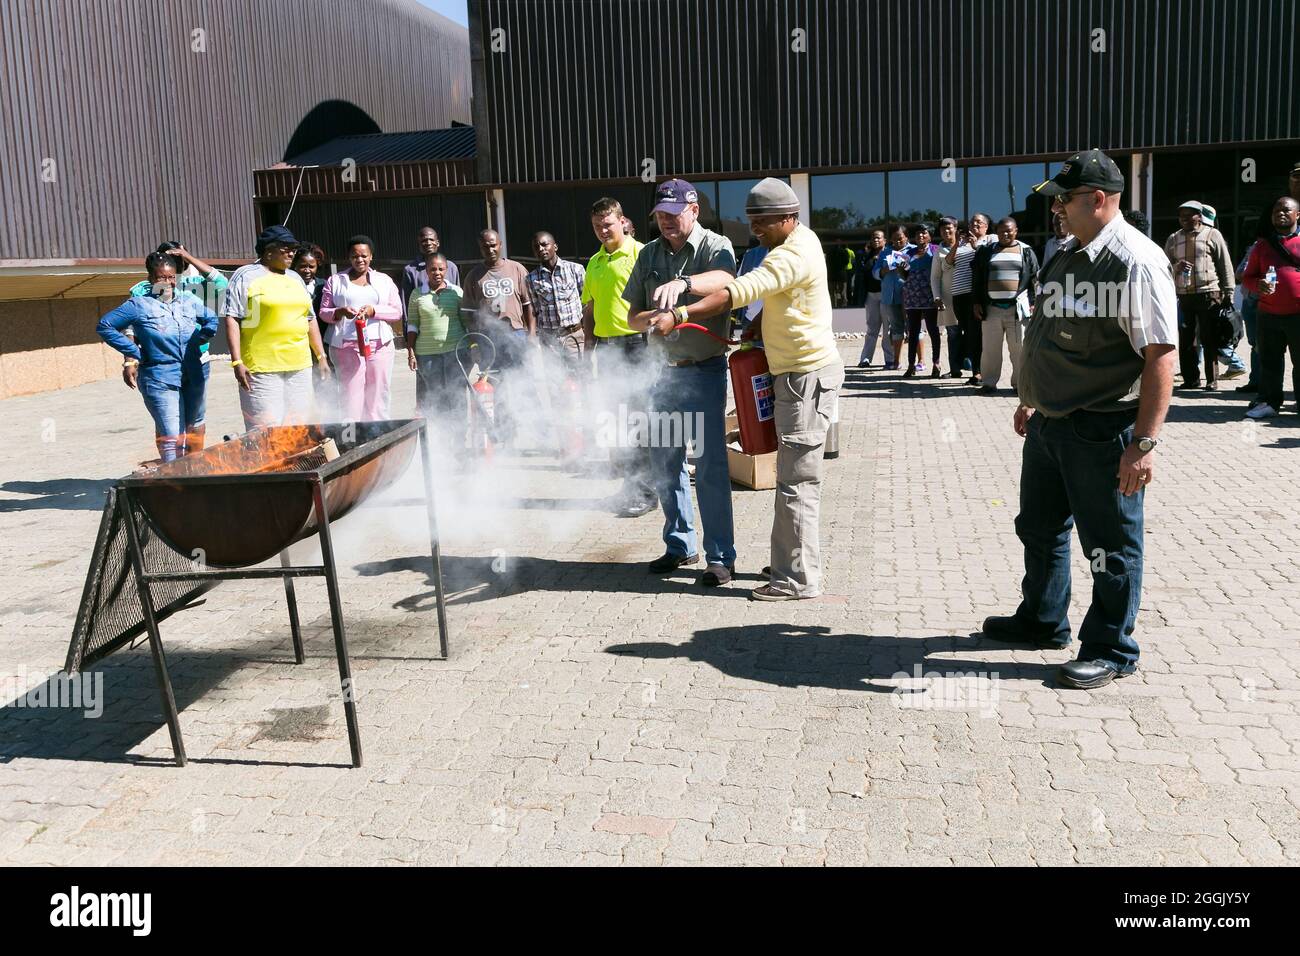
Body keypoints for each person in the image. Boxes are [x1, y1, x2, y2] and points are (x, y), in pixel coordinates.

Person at [985, 148, 1178, 690]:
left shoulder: (1136, 261)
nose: (1057, 210)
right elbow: (1047, 331)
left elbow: (1161, 354)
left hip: (1102, 428)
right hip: (1049, 423)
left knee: (1110, 545)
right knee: (1039, 527)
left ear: (1098, 200)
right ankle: (1043, 620)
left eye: (1065, 200)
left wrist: (1143, 443)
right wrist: (1030, 396)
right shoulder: (1069, 251)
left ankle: (1111, 647)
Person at [648, 178, 843, 601]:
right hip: (791, 376)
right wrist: (761, 325)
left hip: (805, 378)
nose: (755, 231)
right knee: (791, 478)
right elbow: (773, 300)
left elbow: (741, 290)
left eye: (763, 223)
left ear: (789, 217)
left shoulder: (791, 253)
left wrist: (682, 306)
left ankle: (797, 580)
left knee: (797, 483)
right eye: (753, 222)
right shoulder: (793, 242)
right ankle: (789, 560)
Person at [625, 178, 738, 586]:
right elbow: (630, 315)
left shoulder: (714, 246)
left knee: (708, 466)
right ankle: (680, 545)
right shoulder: (650, 254)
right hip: (661, 374)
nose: (666, 222)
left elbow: (726, 283)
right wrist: (652, 321)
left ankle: (721, 557)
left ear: (694, 210)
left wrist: (683, 289)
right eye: (660, 215)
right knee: (666, 463)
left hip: (703, 370)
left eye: (674, 214)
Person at [98, 252, 220, 462]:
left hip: (193, 373)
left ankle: (194, 472)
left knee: (195, 425)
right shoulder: (139, 305)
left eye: (171, 277)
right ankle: (174, 482)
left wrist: (202, 337)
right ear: (150, 280)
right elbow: (105, 325)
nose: (168, 283)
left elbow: (211, 318)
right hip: (160, 376)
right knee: (172, 434)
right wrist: (135, 353)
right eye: (161, 278)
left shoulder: (187, 301)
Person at [582, 198, 654, 517]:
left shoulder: (641, 254)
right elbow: (591, 309)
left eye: (608, 224)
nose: (603, 230)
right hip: (609, 348)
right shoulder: (594, 263)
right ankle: (630, 486)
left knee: (640, 421)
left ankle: (647, 491)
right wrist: (588, 351)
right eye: (597, 226)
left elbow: (657, 301)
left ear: (622, 221)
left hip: (638, 345)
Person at [222, 225, 330, 430]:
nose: (292, 253)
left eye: (294, 248)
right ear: (268, 250)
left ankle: (301, 464)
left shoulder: (295, 278)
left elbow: (309, 318)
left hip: (299, 365)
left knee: (301, 426)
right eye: (286, 248)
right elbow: (232, 318)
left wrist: (321, 356)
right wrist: (237, 361)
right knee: (265, 429)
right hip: (261, 369)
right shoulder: (246, 276)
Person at [318, 235, 404, 422]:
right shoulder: (335, 281)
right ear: (349, 257)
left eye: (364, 256)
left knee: (378, 393)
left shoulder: (384, 280)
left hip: (379, 344)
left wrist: (374, 311)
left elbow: (397, 312)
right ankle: (352, 438)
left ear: (371, 256)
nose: (360, 260)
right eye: (355, 256)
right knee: (351, 396)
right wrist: (339, 312)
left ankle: (379, 435)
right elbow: (324, 312)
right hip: (346, 346)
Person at [462, 229, 534, 447]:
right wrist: (474, 342)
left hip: (516, 335)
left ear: (500, 244)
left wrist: (531, 335)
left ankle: (530, 430)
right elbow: (468, 314)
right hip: (489, 340)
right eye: (485, 246)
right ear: (480, 247)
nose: (490, 249)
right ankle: (503, 433)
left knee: (521, 384)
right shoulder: (474, 276)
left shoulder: (516, 269)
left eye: (493, 245)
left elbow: (528, 305)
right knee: (496, 387)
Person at [1163, 200, 1236, 390]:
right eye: (1181, 216)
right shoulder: (1173, 238)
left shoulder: (1212, 234)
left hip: (1209, 294)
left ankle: (1212, 380)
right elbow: (1162, 267)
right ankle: (1191, 379)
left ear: (1199, 216)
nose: (1184, 219)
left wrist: (1229, 291)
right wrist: (1175, 268)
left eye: (1189, 215)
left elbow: (1225, 265)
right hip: (1184, 295)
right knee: (1186, 340)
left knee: (1209, 337)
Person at [527, 231, 587, 455]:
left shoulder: (575, 270)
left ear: (555, 246)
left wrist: (588, 334)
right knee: (556, 391)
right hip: (550, 341)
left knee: (582, 386)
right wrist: (534, 337)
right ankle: (566, 442)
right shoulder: (531, 279)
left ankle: (586, 439)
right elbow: (534, 308)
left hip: (575, 336)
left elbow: (587, 303)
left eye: (545, 245)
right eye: (537, 246)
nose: (541, 249)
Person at [1241, 196, 1300, 420]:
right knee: (1269, 362)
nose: (1280, 214)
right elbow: (1247, 278)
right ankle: (1269, 403)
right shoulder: (1262, 246)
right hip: (1268, 314)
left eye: (1286, 210)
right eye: (1276, 212)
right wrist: (1259, 284)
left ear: (1298, 215)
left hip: (1298, 315)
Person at [406, 253, 468, 446]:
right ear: (426, 271)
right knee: (436, 396)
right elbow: (413, 325)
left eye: (441, 269)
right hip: (427, 355)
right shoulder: (417, 294)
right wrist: (410, 351)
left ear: (447, 270)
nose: (437, 273)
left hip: (456, 352)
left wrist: (472, 346)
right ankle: (442, 440)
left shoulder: (457, 292)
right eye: (433, 269)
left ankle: (459, 441)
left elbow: (465, 322)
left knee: (457, 396)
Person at [972, 217, 1040, 392]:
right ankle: (989, 383)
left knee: (1019, 350)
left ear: (1016, 231)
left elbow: (1035, 279)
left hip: (1016, 310)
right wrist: (977, 302)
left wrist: (1033, 302)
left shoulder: (1025, 251)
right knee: (990, 350)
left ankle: (1019, 385)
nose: (1005, 234)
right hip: (991, 309)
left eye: (1009, 230)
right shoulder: (986, 251)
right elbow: (978, 279)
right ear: (997, 232)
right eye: (1001, 231)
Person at [129, 241, 228, 312]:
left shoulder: (194, 284)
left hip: (194, 341)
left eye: (179, 258)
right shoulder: (142, 289)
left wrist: (188, 257)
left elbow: (222, 284)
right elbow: (133, 326)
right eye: (169, 259)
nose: (174, 264)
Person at [900, 222, 941, 377]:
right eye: (917, 233)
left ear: (930, 236)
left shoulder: (936, 250)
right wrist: (900, 269)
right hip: (912, 297)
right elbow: (904, 275)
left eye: (924, 233)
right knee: (913, 332)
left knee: (933, 330)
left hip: (930, 297)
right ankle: (911, 365)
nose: (920, 236)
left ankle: (936, 364)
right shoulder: (908, 253)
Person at [945, 220, 984, 383]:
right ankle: (972, 367)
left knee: (975, 333)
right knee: (967, 333)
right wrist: (957, 243)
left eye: (975, 227)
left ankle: (978, 371)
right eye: (967, 230)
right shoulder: (959, 246)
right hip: (958, 295)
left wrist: (975, 246)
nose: (970, 231)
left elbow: (983, 261)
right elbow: (948, 262)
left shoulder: (983, 244)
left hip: (973, 295)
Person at [874, 225, 914, 371]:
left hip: (910, 296)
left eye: (900, 238)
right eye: (895, 239)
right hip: (890, 297)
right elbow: (875, 273)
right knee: (896, 329)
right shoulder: (885, 253)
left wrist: (906, 268)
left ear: (906, 237)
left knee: (914, 329)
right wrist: (885, 270)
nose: (897, 241)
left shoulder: (913, 250)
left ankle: (919, 361)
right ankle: (895, 361)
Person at [401, 227, 461, 321]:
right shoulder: (411, 270)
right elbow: (406, 305)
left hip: (450, 325)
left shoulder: (451, 267)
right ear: (419, 244)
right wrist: (409, 331)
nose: (428, 243)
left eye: (431, 239)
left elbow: (458, 298)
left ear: (438, 243)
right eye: (424, 240)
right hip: (424, 327)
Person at [930, 218, 964, 378]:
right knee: (953, 334)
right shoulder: (939, 251)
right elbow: (935, 277)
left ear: (956, 229)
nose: (946, 232)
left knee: (972, 332)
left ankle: (975, 368)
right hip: (948, 299)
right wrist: (937, 297)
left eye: (949, 228)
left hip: (968, 296)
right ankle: (955, 369)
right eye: (943, 229)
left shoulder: (967, 246)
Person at [856, 229, 889, 367]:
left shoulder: (889, 254)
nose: (876, 240)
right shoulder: (866, 255)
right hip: (871, 295)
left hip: (886, 294)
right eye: (874, 238)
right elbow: (862, 272)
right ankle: (866, 359)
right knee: (872, 329)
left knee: (888, 329)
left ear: (884, 240)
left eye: (879, 238)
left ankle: (890, 360)